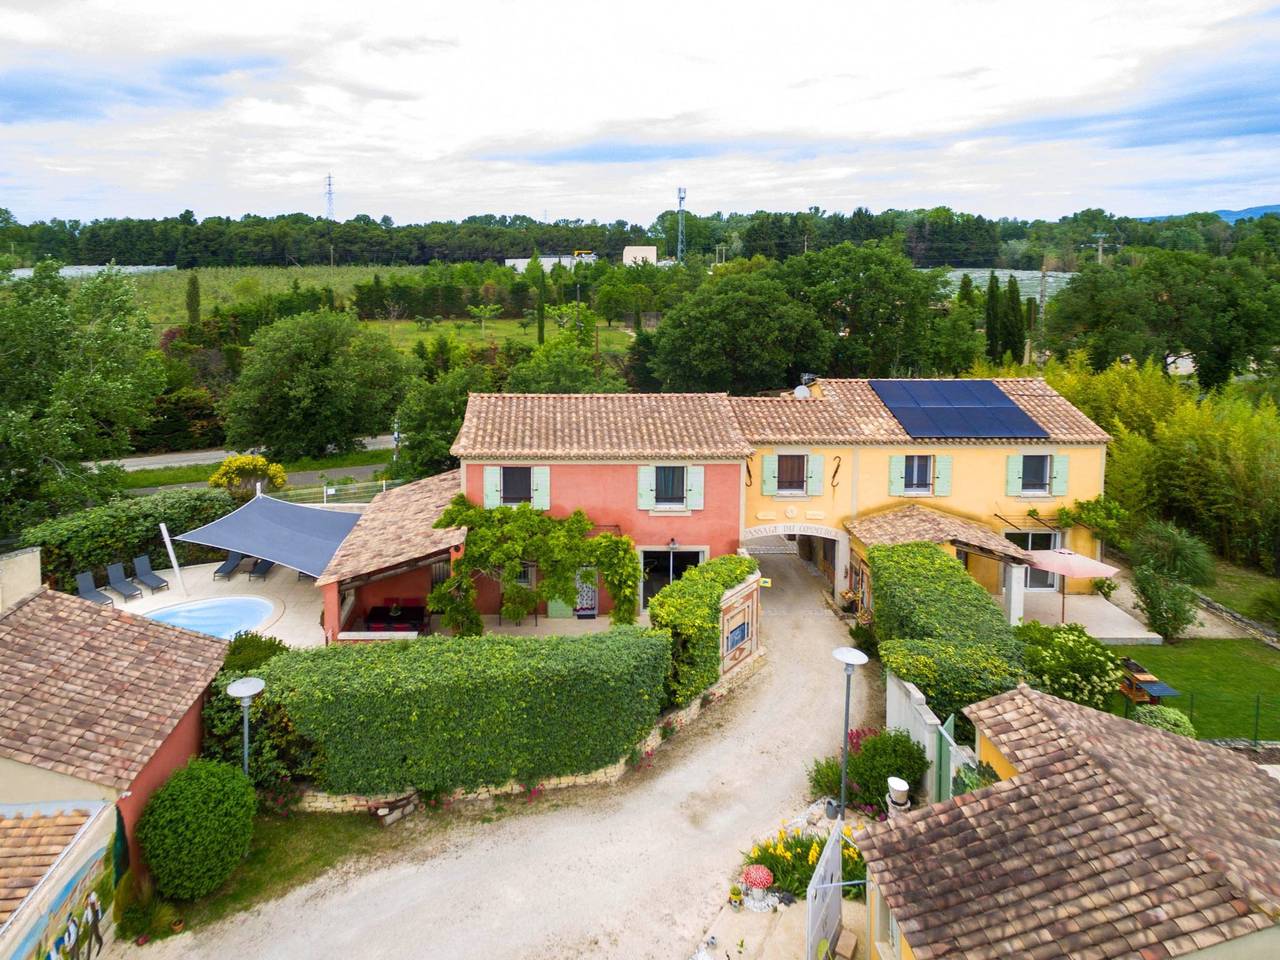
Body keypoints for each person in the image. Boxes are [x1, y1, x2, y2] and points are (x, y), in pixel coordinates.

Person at [83, 891, 105, 958]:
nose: (87, 902)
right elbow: (85, 915)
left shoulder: (93, 899)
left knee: (92, 938)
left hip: (94, 920)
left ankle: (88, 957)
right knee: (96, 936)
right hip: (91, 922)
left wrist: (96, 903)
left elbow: (97, 905)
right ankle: (100, 942)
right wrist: (82, 924)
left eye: (87, 900)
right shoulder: (87, 907)